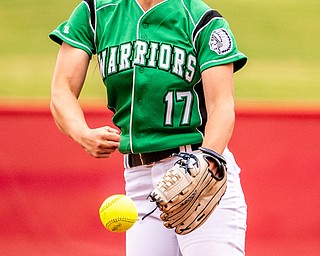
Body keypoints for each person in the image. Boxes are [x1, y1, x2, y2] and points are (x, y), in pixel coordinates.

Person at [49, 0, 248, 255]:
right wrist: (82, 133)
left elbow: (222, 104)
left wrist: (207, 160)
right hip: (139, 182)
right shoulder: (96, 12)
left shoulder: (202, 20)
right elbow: (62, 90)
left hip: (199, 173)